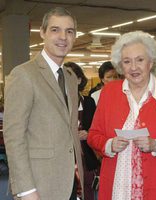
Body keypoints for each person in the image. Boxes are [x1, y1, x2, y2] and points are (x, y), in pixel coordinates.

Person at [87, 31, 156, 200]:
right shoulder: (109, 92)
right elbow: (93, 135)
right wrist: (109, 144)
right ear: (120, 66)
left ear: (150, 62)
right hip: (118, 189)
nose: (133, 67)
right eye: (127, 61)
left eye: (140, 60)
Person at [3, 7, 83, 200]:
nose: (63, 37)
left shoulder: (71, 78)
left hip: (70, 180)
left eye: (69, 31)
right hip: (39, 183)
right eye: (55, 30)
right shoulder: (23, 75)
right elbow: (14, 137)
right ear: (42, 33)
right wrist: (25, 189)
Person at [65, 62, 101, 200]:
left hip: (87, 155)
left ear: (79, 80)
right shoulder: (58, 103)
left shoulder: (89, 102)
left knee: (88, 189)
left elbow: (97, 127)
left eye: (71, 76)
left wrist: (89, 133)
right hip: (65, 156)